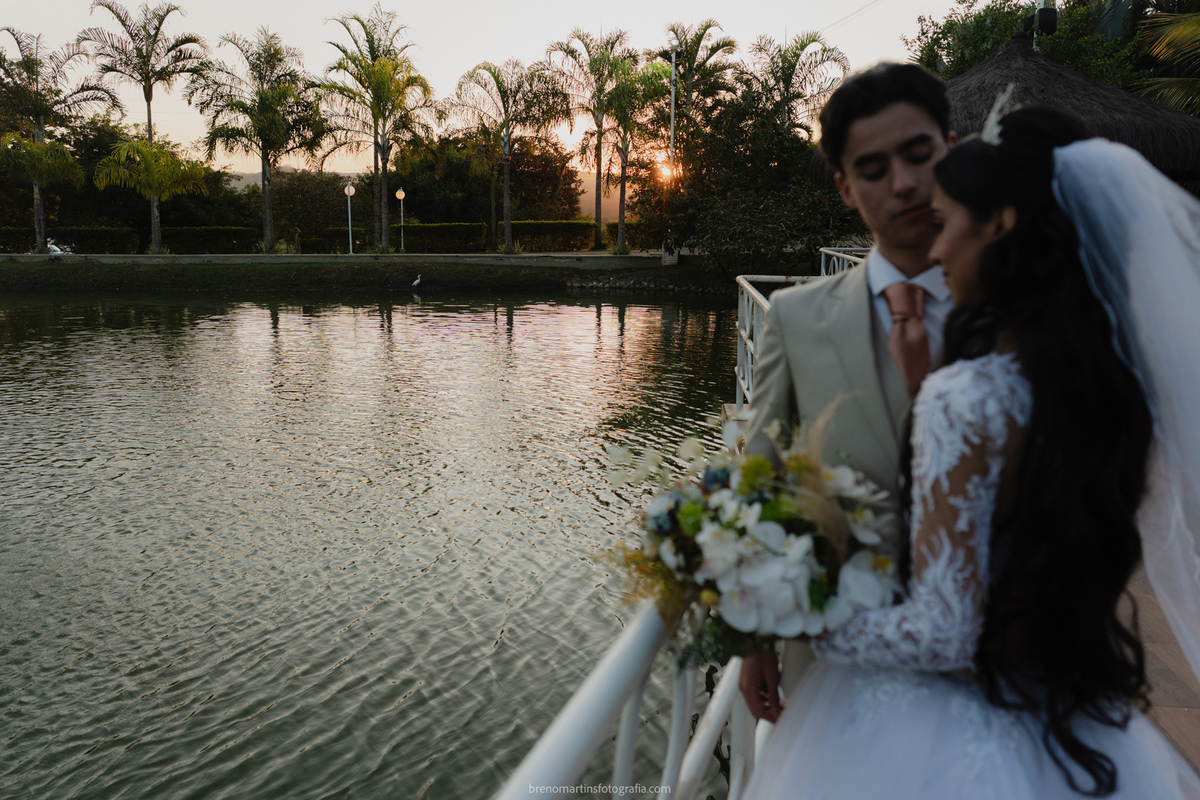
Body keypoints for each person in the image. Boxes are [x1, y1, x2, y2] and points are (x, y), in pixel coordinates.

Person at [742, 106, 1200, 798]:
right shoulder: (1107, 392)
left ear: (1000, 224)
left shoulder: (965, 398)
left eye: (946, 220)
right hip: (1069, 707)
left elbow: (943, 634)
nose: (936, 250)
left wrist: (806, 621)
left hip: (941, 739)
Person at [739, 62, 957, 720]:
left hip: (993, 652)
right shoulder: (795, 318)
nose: (905, 183)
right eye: (873, 169)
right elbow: (761, 474)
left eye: (920, 154)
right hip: (837, 660)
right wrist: (755, 633)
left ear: (952, 148)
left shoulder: (1019, 310)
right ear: (844, 187)